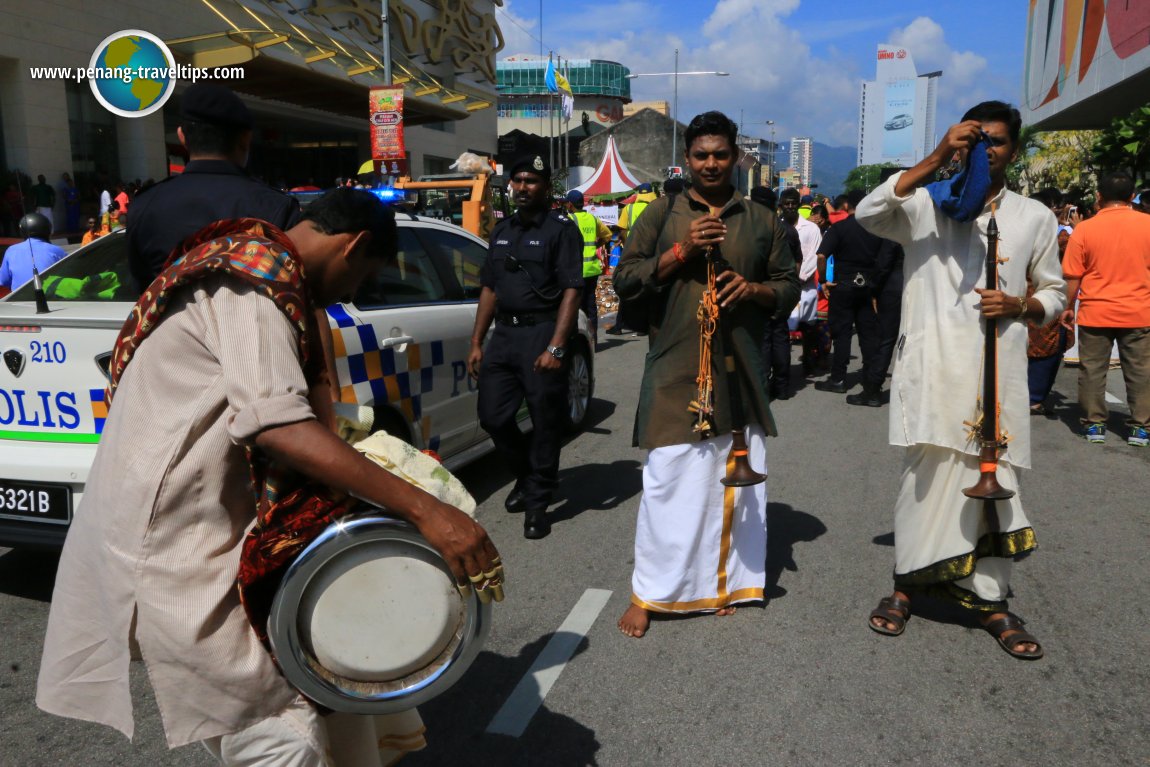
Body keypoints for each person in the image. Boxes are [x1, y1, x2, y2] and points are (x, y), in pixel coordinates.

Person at [37, 189, 502, 764]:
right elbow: (279, 429)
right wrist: (428, 510)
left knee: (296, 701)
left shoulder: (255, 265)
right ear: (354, 246)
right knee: (276, 724)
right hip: (173, 547)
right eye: (364, 278)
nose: (353, 296)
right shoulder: (254, 289)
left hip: (191, 528)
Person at [856, 100, 1066, 660]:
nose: (986, 150)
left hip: (996, 378)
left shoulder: (1034, 217)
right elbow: (869, 213)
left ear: (1013, 149)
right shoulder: (924, 205)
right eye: (976, 140)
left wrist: (1021, 304)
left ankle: (993, 604)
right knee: (922, 483)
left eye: (996, 141)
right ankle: (906, 586)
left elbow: (1056, 293)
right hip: (932, 369)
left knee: (995, 490)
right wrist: (937, 156)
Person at [614, 111, 799, 638]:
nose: (712, 163)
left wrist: (756, 291)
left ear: (736, 157)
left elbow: (788, 288)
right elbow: (625, 280)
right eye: (701, 155)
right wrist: (681, 251)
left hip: (739, 371)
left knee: (734, 488)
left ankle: (722, 583)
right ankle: (649, 595)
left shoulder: (763, 221)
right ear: (688, 159)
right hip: (675, 369)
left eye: (721, 154)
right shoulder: (660, 213)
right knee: (668, 483)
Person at [467, 154, 583, 540]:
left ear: (546, 187)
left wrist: (557, 347)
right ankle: (526, 476)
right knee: (494, 417)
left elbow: (571, 290)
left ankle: (537, 503)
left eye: (531, 181)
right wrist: (476, 341)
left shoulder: (561, 230)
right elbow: (489, 288)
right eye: (517, 181)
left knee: (546, 421)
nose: (521, 188)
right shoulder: (502, 231)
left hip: (541, 334)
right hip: (503, 338)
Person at [127, 82, 300, 292]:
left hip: (170, 324)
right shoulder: (277, 207)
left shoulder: (145, 205)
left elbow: (142, 291)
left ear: (182, 137)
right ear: (245, 140)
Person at [1059, 170, 1150, 447]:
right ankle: (1141, 428)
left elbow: (1073, 275)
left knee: (1092, 370)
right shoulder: (1148, 225)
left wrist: (1067, 308)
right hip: (1139, 311)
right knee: (1141, 371)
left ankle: (1095, 424)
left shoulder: (1085, 229)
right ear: (1132, 197)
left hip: (1095, 312)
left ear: (1099, 197)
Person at [814, 189, 892, 399]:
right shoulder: (876, 229)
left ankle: (838, 379)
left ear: (847, 206)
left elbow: (821, 256)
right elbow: (884, 260)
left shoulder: (839, 228)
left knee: (842, 333)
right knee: (868, 335)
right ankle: (869, 380)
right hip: (867, 287)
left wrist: (823, 281)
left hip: (843, 286)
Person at [779, 188, 823, 383]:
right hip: (782, 285)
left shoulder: (811, 229)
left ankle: (808, 361)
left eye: (793, 203)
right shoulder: (775, 226)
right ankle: (782, 367)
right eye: (786, 203)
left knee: (808, 326)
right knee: (782, 329)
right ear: (780, 205)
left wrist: (802, 276)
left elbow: (815, 254)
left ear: (798, 205)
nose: (789, 207)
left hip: (805, 286)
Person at [606, 182, 658, 335]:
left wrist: (628, 245)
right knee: (646, 287)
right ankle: (644, 326)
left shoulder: (628, 209)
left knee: (627, 286)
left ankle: (619, 325)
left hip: (631, 253)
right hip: (650, 252)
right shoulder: (654, 208)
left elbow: (621, 230)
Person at [565, 189, 612, 345]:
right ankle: (593, 341)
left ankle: (578, 341)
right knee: (591, 306)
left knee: (575, 307)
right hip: (592, 269)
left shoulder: (568, 220)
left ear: (570, 205)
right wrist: (597, 245)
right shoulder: (593, 219)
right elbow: (608, 235)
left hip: (576, 270)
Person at [0, 212, 67, 292]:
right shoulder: (56, 250)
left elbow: (4, 281)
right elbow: (69, 275)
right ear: (48, 231)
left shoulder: (11, 250)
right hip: (50, 299)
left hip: (19, 300)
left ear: (22, 231)